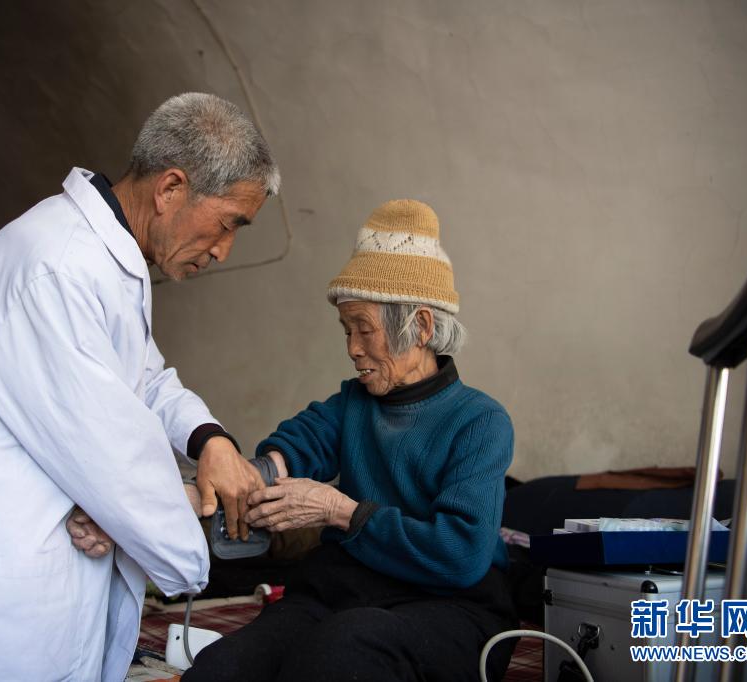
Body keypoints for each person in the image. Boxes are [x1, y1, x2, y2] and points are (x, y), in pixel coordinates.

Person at [0, 93, 280, 682]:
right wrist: (186, 508)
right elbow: (118, 464)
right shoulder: (56, 266)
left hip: (37, 592)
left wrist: (210, 441)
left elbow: (146, 380)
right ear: (171, 188)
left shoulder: (104, 260)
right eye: (228, 224)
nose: (224, 250)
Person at [183, 199, 519, 682]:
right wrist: (211, 488)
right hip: (346, 592)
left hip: (450, 604)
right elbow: (292, 451)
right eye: (347, 330)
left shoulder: (480, 422)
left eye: (364, 329)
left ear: (421, 327)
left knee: (343, 650)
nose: (353, 348)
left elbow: (460, 554)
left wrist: (339, 511)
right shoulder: (352, 404)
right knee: (221, 669)